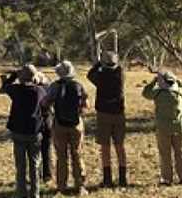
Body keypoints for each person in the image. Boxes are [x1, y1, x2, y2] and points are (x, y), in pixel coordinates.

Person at [42, 60, 89, 196]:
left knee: (61, 156)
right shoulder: (79, 85)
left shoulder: (54, 86)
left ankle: (61, 187)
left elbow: (45, 102)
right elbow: (86, 105)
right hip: (76, 124)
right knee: (77, 154)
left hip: (59, 124)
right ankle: (80, 186)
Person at [0, 64, 46, 198]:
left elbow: (4, 87)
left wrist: (14, 75)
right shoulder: (39, 91)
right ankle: (35, 193)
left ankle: (21, 192)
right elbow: (46, 88)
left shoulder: (15, 90)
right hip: (34, 130)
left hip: (18, 130)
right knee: (35, 165)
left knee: (20, 166)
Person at [87, 51, 127, 188]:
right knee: (120, 146)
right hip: (119, 114)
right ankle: (122, 179)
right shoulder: (120, 74)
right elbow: (120, 66)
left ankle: (107, 179)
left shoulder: (101, 76)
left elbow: (89, 75)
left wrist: (98, 63)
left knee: (105, 147)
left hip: (103, 114)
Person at [142, 71, 182, 186]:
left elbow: (145, 93)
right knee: (181, 152)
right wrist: (176, 79)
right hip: (179, 127)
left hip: (163, 128)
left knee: (165, 154)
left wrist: (154, 81)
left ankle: (167, 178)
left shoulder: (158, 94)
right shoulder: (179, 93)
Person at [36, 71, 54, 183]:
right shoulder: (48, 89)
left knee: (34, 151)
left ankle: (36, 174)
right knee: (46, 149)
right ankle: (47, 174)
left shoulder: (32, 90)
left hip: (35, 123)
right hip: (47, 121)